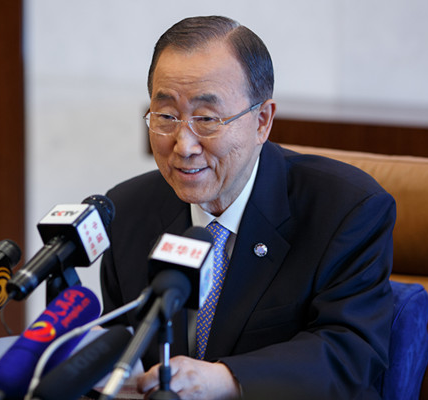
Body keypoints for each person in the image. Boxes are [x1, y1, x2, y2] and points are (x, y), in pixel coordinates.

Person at [100, 15, 396, 399]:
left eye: (207, 119)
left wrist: (225, 379)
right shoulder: (126, 211)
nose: (184, 145)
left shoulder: (345, 210)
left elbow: (350, 356)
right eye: (167, 117)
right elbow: (122, 346)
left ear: (262, 121)